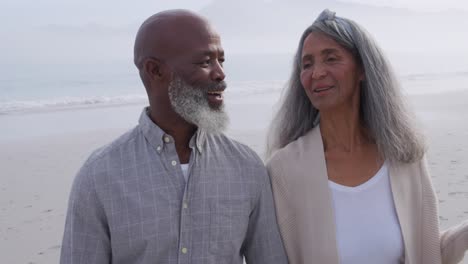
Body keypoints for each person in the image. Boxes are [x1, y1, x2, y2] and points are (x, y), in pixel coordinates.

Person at [60, 9, 287, 264]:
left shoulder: (247, 167)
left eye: (221, 60)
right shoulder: (99, 176)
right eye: (205, 62)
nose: (220, 73)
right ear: (155, 70)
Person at [266, 9, 468, 264]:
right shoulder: (285, 170)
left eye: (331, 58)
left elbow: (426, 252)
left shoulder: (404, 155)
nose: (316, 73)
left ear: (362, 69)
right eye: (307, 64)